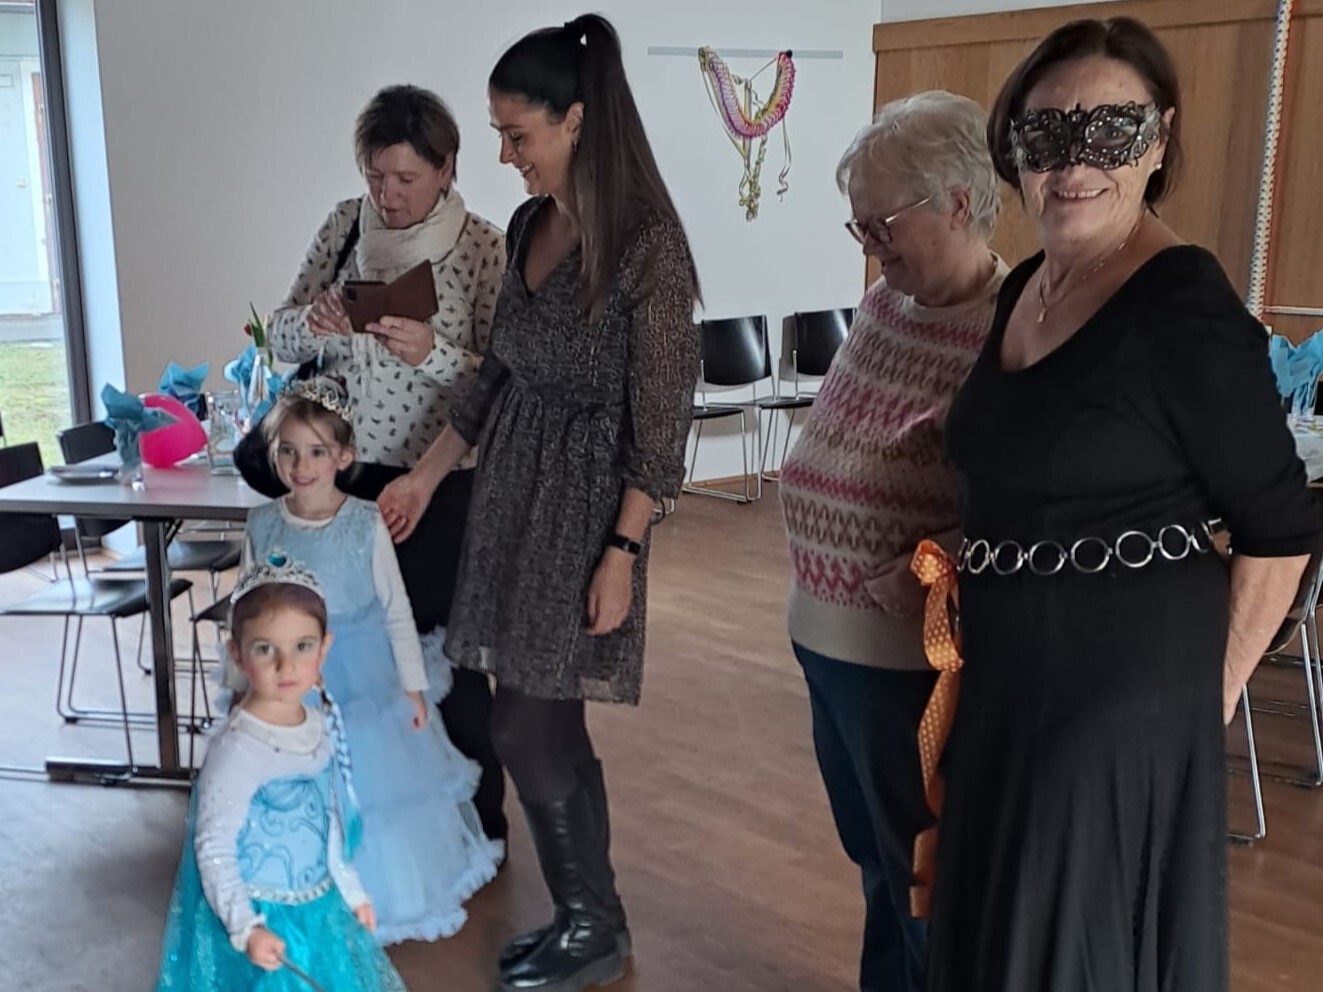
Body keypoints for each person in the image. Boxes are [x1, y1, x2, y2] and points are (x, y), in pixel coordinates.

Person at [927, 17, 1319, 992]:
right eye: (1045, 135)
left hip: (1119, 706)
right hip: (1009, 681)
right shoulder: (1025, 285)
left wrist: (1196, 708)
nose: (1074, 165)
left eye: (1110, 131)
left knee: (1068, 953)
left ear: (1159, 141)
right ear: (1014, 149)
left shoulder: (1183, 302)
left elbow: (1280, 531)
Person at [378, 14, 700, 991]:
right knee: (546, 721)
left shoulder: (647, 248)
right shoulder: (529, 226)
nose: (504, 155)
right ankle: (591, 920)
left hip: (584, 509)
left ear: (575, 120)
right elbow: (497, 376)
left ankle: (590, 922)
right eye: (499, 134)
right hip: (511, 492)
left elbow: (662, 425)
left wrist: (623, 552)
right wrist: (427, 472)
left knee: (523, 723)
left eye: (517, 134)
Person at [778, 91, 1007, 992]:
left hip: (909, 657)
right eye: (858, 225)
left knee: (920, 875)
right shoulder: (883, 306)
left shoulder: (1011, 328)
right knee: (875, 858)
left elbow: (1032, 501)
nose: (871, 245)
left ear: (958, 202)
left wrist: (932, 560)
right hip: (826, 638)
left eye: (883, 223)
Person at [256, 83, 508, 844]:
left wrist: (432, 353)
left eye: (405, 178)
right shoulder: (345, 225)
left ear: (447, 168)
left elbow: (504, 384)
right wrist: (315, 322)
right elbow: (277, 338)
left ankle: (475, 825)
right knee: (349, 653)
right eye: (376, 176)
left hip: (440, 480)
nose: (388, 196)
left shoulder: (483, 248)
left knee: (443, 656)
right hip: (342, 482)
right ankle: (373, 827)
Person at [228, 379, 503, 945]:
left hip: (363, 678)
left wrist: (412, 687)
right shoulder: (263, 523)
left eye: (316, 452)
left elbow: (395, 608)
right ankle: (298, 890)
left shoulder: (363, 523)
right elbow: (245, 608)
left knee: (368, 793)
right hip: (288, 678)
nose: (301, 466)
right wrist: (243, 684)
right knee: (296, 787)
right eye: (288, 451)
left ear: (344, 456)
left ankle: (375, 893)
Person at [156, 554, 408, 992]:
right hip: (262, 918)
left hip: (318, 910)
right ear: (237, 654)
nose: (285, 666)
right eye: (265, 649)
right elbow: (213, 846)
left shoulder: (319, 726)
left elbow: (327, 819)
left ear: (324, 647)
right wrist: (246, 927)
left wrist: (351, 890)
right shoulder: (237, 751)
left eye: (302, 646)